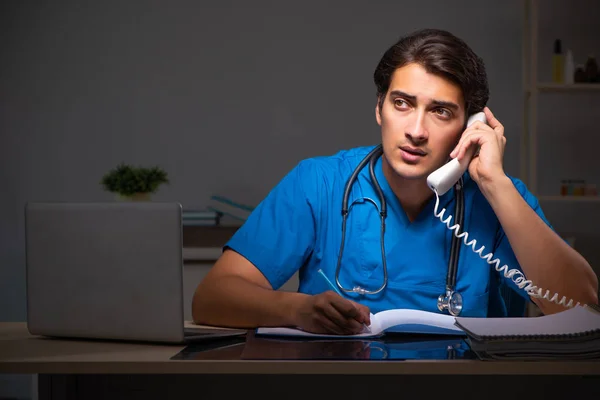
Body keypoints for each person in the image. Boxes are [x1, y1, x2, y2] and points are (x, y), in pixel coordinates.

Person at [192, 28, 598, 335]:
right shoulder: (319, 183)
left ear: (470, 125)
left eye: (440, 111)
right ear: (379, 109)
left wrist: (493, 182)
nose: (416, 130)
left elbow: (585, 312)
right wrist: (294, 309)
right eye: (402, 104)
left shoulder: (503, 199)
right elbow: (211, 298)